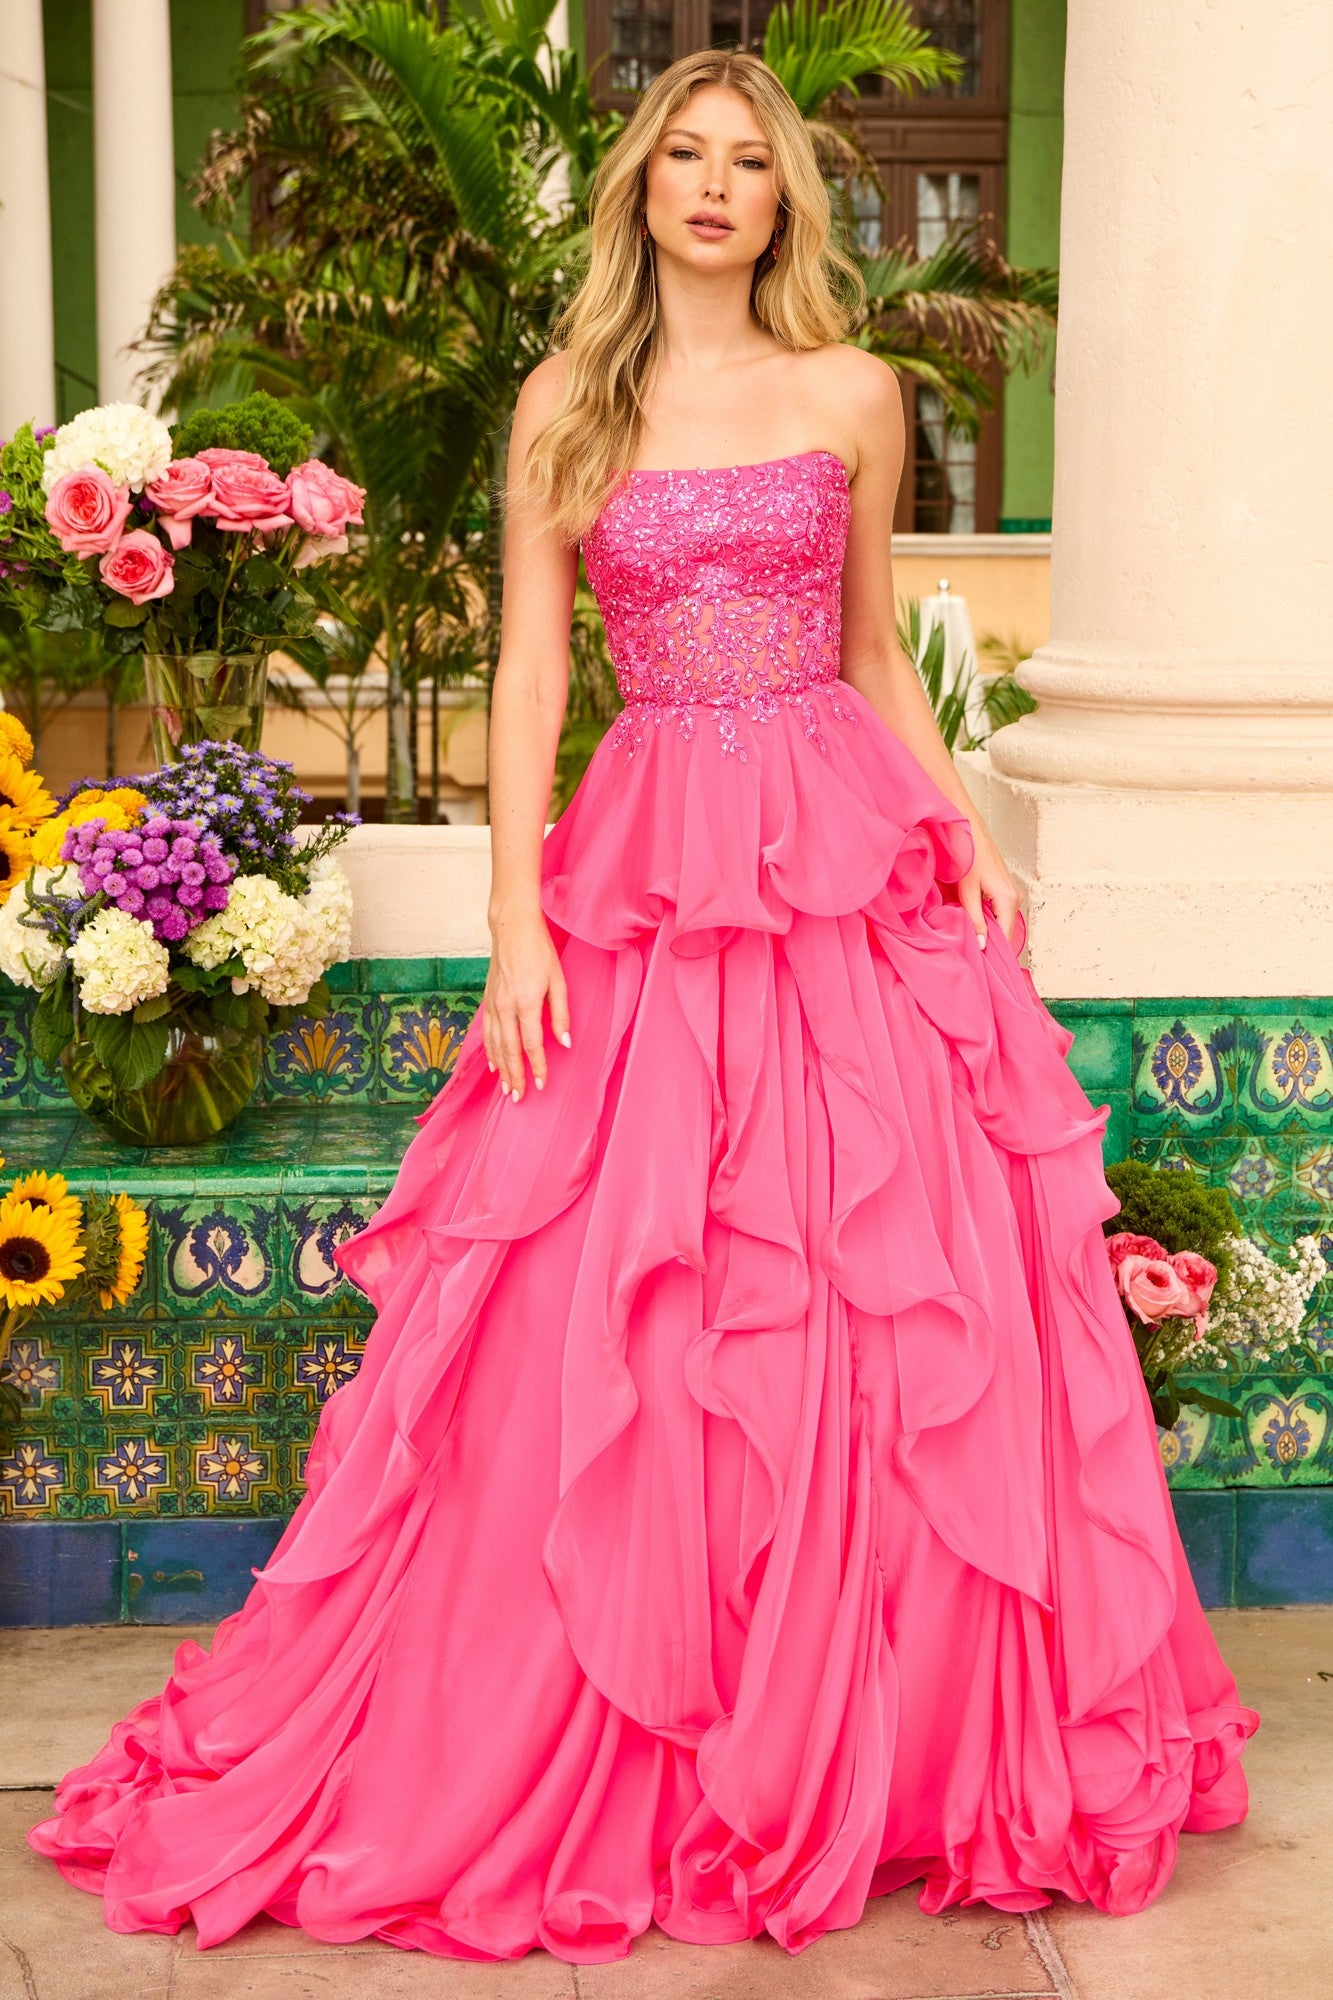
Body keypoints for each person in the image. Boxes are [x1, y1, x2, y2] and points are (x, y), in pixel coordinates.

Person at [29, 47, 1257, 1966]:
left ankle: (881, 1732)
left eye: (746, 162)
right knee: (640, 1282)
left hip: (839, 848)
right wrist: (515, 921)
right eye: (681, 154)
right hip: (649, 859)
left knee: (868, 1278)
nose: (710, 185)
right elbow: (532, 677)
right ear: (640, 189)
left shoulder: (853, 391)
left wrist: (957, 827)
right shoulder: (566, 403)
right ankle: (631, 1693)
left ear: (782, 202)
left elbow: (870, 647)